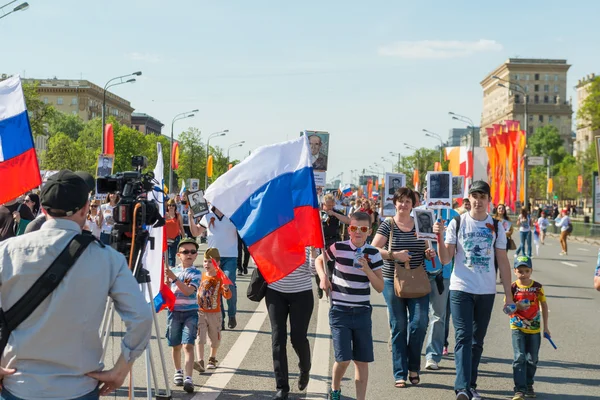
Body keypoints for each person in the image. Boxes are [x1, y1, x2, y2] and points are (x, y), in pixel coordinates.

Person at [0, 170, 152, 399]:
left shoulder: (8, 251)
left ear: (43, 209)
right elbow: (141, 317)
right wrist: (121, 370)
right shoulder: (108, 258)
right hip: (78, 386)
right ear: (85, 208)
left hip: (19, 385)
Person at [434, 180, 514, 400]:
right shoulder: (457, 222)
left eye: (482, 197)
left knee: (477, 341)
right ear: (468, 200)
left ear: (489, 200)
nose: (478, 201)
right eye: (474, 197)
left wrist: (509, 295)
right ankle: (461, 388)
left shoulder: (497, 226)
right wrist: (439, 238)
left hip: (486, 290)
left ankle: (471, 385)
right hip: (461, 289)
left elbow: (503, 262)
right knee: (463, 336)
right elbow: (445, 258)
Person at [371, 187, 436, 389]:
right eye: (400, 201)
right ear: (395, 203)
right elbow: (372, 249)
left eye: (408, 201)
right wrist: (394, 255)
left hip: (418, 280)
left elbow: (427, 247)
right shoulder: (388, 224)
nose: (404, 205)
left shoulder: (421, 221)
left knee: (420, 323)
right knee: (399, 326)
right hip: (393, 281)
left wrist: (429, 253)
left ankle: (413, 366)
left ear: (413, 204)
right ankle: (400, 372)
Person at [315, 212, 384, 400]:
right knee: (343, 358)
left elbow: (380, 287)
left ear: (369, 231)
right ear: (348, 230)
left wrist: (367, 269)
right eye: (354, 228)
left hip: (362, 312)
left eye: (363, 229)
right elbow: (319, 259)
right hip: (340, 311)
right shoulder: (339, 247)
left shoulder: (374, 253)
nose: (358, 233)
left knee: (361, 361)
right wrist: (323, 277)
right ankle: (335, 389)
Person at [266, 247, 316, 400]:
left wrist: (314, 253)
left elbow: (313, 270)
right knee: (277, 339)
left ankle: (305, 368)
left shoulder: (309, 237)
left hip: (301, 294)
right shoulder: (274, 233)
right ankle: (282, 388)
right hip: (275, 292)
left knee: (298, 338)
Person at [189, 206, 239, 329]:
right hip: (213, 257)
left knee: (228, 283)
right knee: (216, 285)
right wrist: (190, 217)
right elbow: (195, 232)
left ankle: (232, 314)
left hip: (230, 256)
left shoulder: (233, 214)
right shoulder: (207, 216)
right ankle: (220, 318)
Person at [508, 256, 549, 400]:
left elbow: (543, 305)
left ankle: (529, 384)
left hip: (534, 329)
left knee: (532, 359)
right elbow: (506, 308)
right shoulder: (512, 287)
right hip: (517, 327)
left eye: (526, 271)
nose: (523, 274)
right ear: (515, 271)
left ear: (531, 271)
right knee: (519, 357)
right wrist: (515, 307)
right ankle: (519, 389)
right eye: (520, 271)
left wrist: (546, 328)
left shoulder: (537, 287)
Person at [165, 237, 203, 393]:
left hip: (190, 313)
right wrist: (166, 281)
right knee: (175, 345)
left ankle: (189, 378)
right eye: (185, 252)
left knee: (188, 344)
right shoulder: (172, 270)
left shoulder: (197, 273)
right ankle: (178, 371)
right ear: (178, 254)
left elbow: (188, 291)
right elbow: (166, 291)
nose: (189, 254)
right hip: (173, 312)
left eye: (193, 252)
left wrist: (174, 279)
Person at [424, 207, 459, 371]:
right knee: (417, 319)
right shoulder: (418, 213)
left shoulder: (454, 216)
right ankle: (412, 354)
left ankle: (432, 356)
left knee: (438, 316)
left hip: (443, 273)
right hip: (420, 272)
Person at [194, 248, 232, 373]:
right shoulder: (200, 275)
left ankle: (212, 358)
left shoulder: (221, 277)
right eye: (205, 261)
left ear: (217, 264)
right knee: (199, 336)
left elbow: (228, 296)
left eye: (210, 262)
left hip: (214, 313)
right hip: (200, 311)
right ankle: (200, 361)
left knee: (214, 337)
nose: (206, 264)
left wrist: (226, 289)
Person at [317, 194, 351, 299]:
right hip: (320, 241)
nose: (330, 207)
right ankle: (319, 285)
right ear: (323, 204)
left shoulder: (335, 212)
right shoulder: (318, 212)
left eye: (332, 205)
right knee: (319, 265)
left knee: (332, 266)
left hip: (333, 241)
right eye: (328, 205)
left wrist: (334, 214)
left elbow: (348, 221)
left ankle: (332, 288)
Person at [166, 199, 186, 268]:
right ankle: (166, 269)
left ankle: (172, 269)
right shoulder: (164, 215)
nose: (171, 207)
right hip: (166, 239)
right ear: (167, 206)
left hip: (175, 238)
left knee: (171, 256)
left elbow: (181, 227)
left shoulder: (178, 215)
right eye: (169, 205)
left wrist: (184, 238)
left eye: (173, 205)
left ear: (175, 206)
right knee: (165, 256)